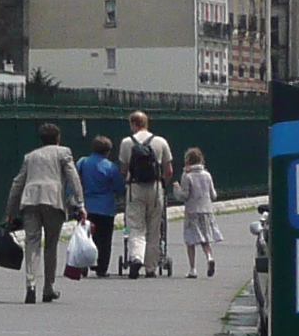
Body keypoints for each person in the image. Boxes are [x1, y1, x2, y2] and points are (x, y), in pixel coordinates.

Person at [6, 124, 82, 303]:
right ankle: (48, 287)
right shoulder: (64, 153)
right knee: (51, 245)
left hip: (30, 201)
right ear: (58, 138)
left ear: (40, 140)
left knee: (32, 243)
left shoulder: (30, 156)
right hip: (53, 201)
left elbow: (17, 183)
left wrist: (10, 210)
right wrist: (80, 202)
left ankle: (30, 285)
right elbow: (73, 177)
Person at [118, 112, 176, 279]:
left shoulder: (127, 143)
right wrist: (162, 182)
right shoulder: (160, 142)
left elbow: (123, 169)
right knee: (154, 227)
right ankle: (151, 267)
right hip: (155, 187)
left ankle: (136, 257)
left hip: (135, 187)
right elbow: (169, 170)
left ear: (132, 124)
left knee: (136, 226)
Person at [76, 135, 124, 278]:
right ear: (108, 152)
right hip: (106, 207)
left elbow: (75, 179)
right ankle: (101, 268)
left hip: (87, 205)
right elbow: (118, 187)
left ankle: (83, 264)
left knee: (85, 237)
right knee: (105, 239)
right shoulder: (111, 167)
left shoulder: (83, 162)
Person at [178, 151, 220, 277]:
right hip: (206, 210)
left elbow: (184, 195)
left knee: (191, 240)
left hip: (192, 211)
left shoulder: (187, 176)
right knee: (205, 238)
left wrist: (177, 189)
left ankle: (192, 269)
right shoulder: (207, 175)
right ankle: (209, 257)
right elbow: (214, 195)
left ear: (188, 160)